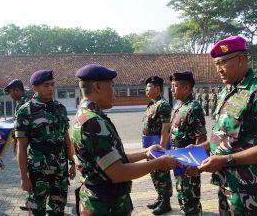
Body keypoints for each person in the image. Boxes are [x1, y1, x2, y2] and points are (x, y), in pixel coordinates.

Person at [72, 64, 180, 216]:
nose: (114, 92)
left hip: (103, 201)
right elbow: (118, 172)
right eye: (112, 86)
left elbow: (113, 159)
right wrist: (159, 163)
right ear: (97, 86)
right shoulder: (92, 122)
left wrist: (146, 153)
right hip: (105, 205)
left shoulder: (87, 116)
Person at [198, 35, 257, 215]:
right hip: (226, 182)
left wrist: (223, 160)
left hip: (250, 187)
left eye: (222, 62)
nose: (219, 69)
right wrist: (199, 149)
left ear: (241, 60)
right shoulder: (227, 92)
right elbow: (223, 135)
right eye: (216, 64)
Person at [15, 70, 76, 216]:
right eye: (45, 85)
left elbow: (66, 136)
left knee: (58, 210)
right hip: (38, 169)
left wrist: (72, 162)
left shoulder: (60, 108)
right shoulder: (25, 111)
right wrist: (24, 177)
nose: (50, 88)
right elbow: (22, 147)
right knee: (37, 210)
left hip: (60, 168)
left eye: (52, 84)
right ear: (35, 88)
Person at [170, 71, 207, 215]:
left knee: (191, 197)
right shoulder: (178, 105)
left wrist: (195, 165)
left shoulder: (193, 107)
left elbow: (201, 137)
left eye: (175, 86)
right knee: (182, 193)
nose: (172, 89)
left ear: (186, 88)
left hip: (188, 161)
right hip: (178, 159)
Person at [142, 76, 173, 215]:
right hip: (150, 143)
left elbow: (166, 128)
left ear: (158, 89)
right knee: (154, 172)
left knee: (162, 173)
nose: (146, 89)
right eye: (146, 87)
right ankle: (160, 198)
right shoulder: (151, 104)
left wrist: (162, 147)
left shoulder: (163, 105)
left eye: (149, 87)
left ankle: (166, 202)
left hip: (158, 144)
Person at [4, 79, 32, 211]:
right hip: (32, 141)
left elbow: (20, 126)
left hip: (29, 144)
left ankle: (32, 201)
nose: (10, 95)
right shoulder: (31, 98)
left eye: (11, 92)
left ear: (17, 90)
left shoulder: (22, 104)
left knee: (31, 172)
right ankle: (31, 200)